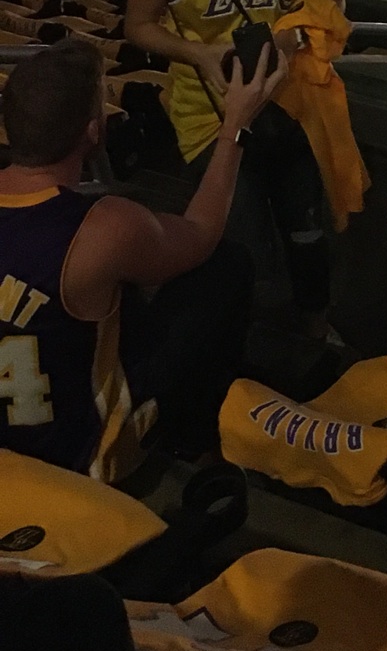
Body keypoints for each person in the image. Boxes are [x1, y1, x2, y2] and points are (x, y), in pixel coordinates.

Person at [0, 36, 282, 475]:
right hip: (73, 462)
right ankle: (195, 441)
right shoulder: (105, 228)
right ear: (94, 131)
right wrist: (235, 126)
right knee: (225, 266)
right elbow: (201, 233)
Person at [125, 0, 351, 345]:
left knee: (308, 232)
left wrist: (290, 38)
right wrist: (198, 54)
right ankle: (251, 348)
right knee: (243, 245)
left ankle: (316, 329)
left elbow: (330, 0)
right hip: (212, 115)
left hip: (292, 105)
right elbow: (138, 25)